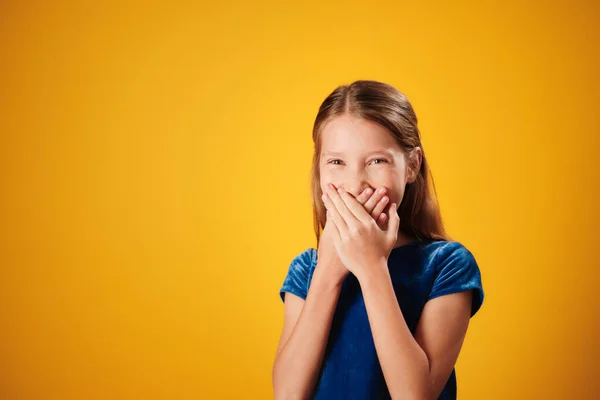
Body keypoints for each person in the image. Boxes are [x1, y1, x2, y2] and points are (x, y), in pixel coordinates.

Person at [272, 80, 484, 400]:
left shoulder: (447, 266)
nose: (355, 184)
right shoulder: (306, 270)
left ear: (411, 165)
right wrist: (329, 272)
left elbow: (415, 396)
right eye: (336, 162)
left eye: (376, 161)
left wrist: (372, 267)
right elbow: (287, 394)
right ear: (319, 169)